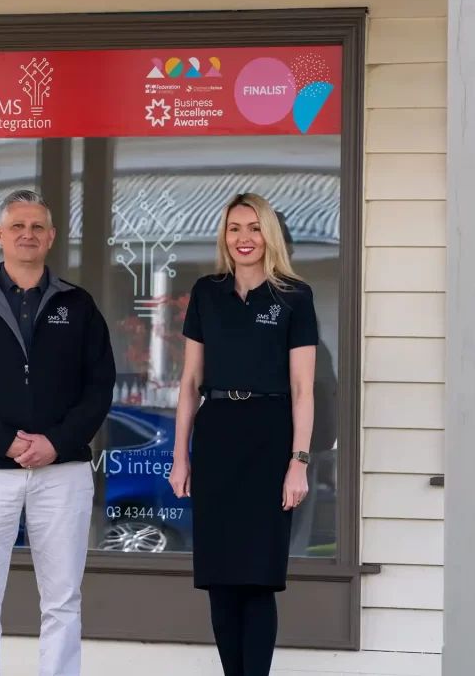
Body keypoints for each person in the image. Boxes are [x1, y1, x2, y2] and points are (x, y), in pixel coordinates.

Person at [0, 189, 116, 676]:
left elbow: (99, 387)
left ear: (51, 238)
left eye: (37, 227)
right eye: (18, 226)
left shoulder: (78, 305)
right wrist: (6, 442)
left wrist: (55, 442)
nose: (28, 234)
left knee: (62, 603)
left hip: (64, 472)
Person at [169, 192, 318, 675]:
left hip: (270, 439)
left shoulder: (295, 295)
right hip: (217, 437)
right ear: (224, 236)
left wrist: (299, 461)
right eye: (235, 228)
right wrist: (180, 456)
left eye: (253, 227)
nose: (244, 238)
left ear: (268, 233)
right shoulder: (206, 293)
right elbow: (190, 382)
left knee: (257, 577)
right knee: (220, 577)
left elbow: (302, 388)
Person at [274, 211, 339, 557]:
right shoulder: (225, 299)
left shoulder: (297, 301)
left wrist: (309, 452)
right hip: (259, 437)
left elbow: (314, 384)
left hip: (301, 440)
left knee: (293, 538)